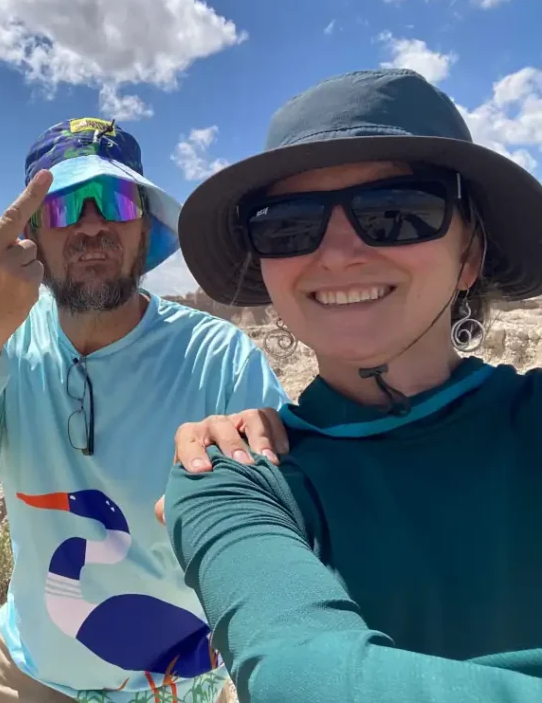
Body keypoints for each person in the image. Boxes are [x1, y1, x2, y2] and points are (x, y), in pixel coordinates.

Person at [159, 68, 542, 703]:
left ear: (470, 253)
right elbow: (300, 673)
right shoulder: (234, 475)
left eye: (396, 212)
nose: (337, 253)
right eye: (288, 225)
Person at [0, 117, 290, 703]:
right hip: (25, 671)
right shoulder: (0, 345)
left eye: (113, 199)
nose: (91, 224)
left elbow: (285, 531)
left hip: (177, 685)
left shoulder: (219, 357)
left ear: (141, 223)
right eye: (62, 206)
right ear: (29, 236)